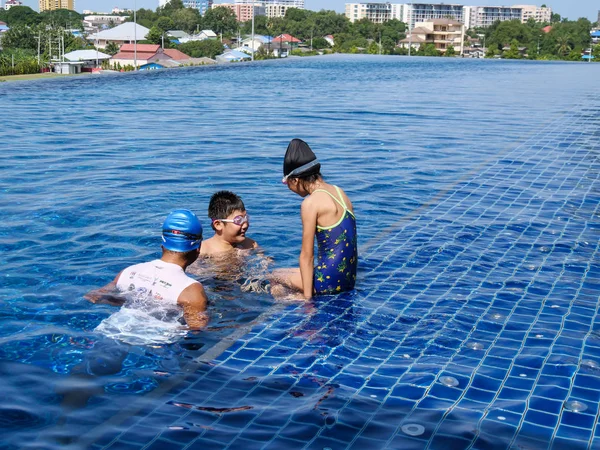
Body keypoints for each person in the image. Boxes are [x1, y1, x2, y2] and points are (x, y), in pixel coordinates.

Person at [85, 209, 209, 330]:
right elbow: (197, 328)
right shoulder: (190, 290)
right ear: (198, 249)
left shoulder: (127, 272)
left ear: (163, 244)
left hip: (112, 329)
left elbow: (94, 296)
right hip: (156, 343)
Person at [273, 138, 358, 299]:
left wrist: (308, 301)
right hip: (348, 279)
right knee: (280, 272)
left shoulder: (310, 203)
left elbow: (307, 255)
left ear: (295, 180)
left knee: (274, 279)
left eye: (286, 183)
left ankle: (296, 303)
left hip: (328, 282)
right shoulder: (340, 192)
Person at [199, 191, 258, 257]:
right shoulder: (202, 251)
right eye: (238, 220)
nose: (245, 225)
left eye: (246, 218)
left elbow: (267, 263)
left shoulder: (250, 245)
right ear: (218, 225)